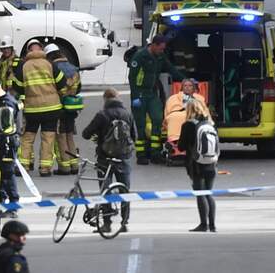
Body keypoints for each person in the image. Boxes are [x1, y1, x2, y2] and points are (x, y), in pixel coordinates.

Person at [82, 88, 135, 232]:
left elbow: (86, 134)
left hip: (104, 158)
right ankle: (124, 223)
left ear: (105, 99)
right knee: (125, 190)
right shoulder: (127, 114)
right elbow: (134, 136)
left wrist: (98, 137)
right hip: (123, 158)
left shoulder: (102, 115)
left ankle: (107, 223)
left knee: (105, 191)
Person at [128, 35, 186, 164]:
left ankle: (156, 152)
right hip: (140, 94)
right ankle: (141, 154)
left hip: (152, 93)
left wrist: (184, 79)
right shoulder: (140, 56)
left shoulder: (160, 56)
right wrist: (135, 97)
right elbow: (132, 78)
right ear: (153, 45)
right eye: (160, 49)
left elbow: (171, 68)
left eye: (163, 49)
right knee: (141, 124)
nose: (162, 51)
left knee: (158, 119)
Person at [14, 40, 62, 176]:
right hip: (51, 108)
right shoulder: (50, 64)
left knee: (28, 138)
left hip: (32, 110)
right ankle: (45, 168)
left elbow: (17, 86)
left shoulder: (24, 66)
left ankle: (24, 166)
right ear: (41, 49)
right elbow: (62, 82)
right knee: (48, 138)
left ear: (28, 51)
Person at [178, 99, 218, 232]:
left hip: (196, 164)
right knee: (209, 193)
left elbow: (181, 146)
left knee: (200, 193)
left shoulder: (188, 125)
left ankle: (203, 224)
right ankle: (212, 225)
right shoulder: (210, 124)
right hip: (211, 162)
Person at [47, 44, 82, 175]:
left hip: (59, 107)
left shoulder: (53, 69)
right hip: (72, 107)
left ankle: (65, 167)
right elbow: (78, 88)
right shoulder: (73, 68)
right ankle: (74, 165)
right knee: (70, 136)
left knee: (61, 137)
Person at [0, 81, 21, 216]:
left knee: (8, 174)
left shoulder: (6, 104)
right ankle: (2, 202)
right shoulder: (6, 101)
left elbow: (5, 128)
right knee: (3, 174)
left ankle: (13, 206)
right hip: (7, 142)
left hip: (6, 143)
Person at [164, 79, 206, 154]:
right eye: (185, 85)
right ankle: (174, 144)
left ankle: (183, 146)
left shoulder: (199, 98)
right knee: (174, 117)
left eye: (190, 86)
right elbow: (168, 110)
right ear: (182, 87)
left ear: (193, 88)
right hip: (176, 114)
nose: (187, 87)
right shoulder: (173, 98)